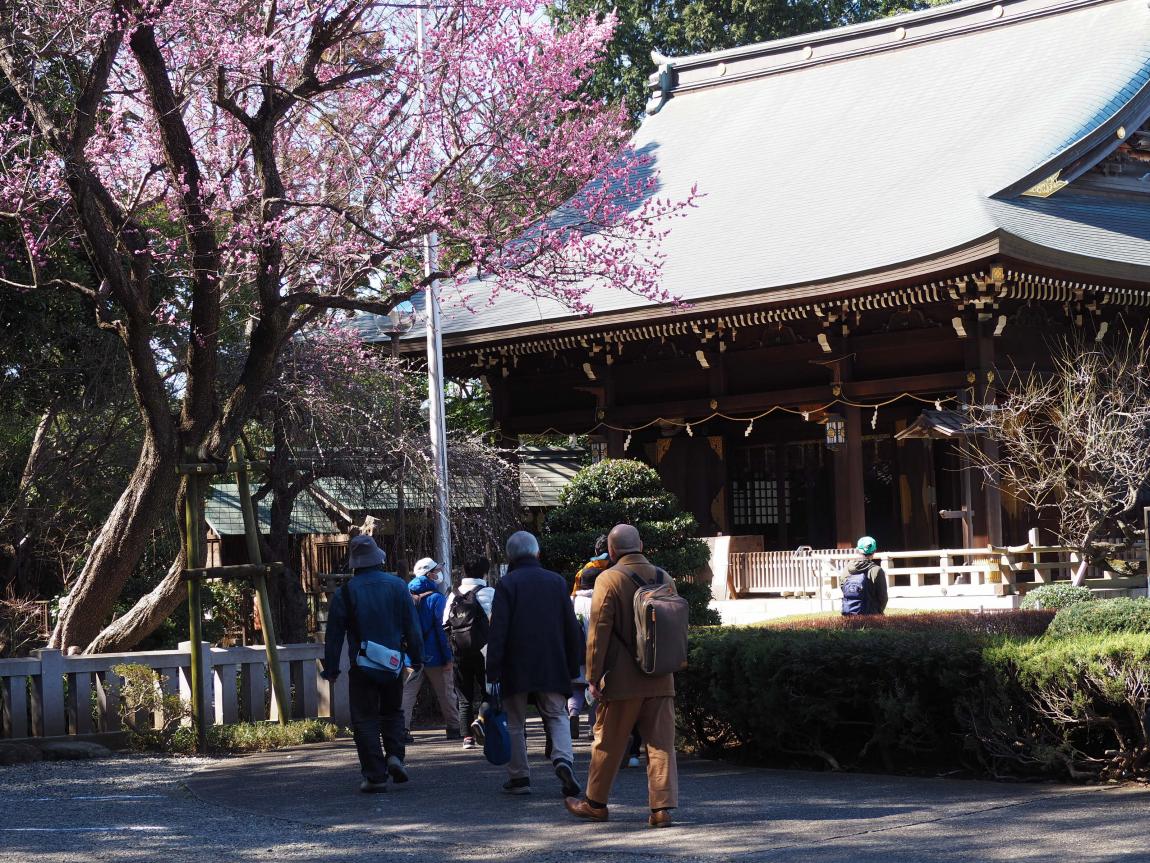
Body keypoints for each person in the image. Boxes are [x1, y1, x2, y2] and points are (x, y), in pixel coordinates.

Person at [565, 523, 678, 828]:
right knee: (661, 744)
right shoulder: (664, 577)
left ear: (612, 551)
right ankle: (661, 809)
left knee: (608, 743)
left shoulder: (609, 578)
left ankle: (596, 804)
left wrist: (593, 675)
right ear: (640, 544)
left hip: (621, 678)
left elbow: (599, 631)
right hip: (660, 675)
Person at [486, 530, 584, 798]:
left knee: (515, 722)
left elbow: (498, 631)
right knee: (557, 715)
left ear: (510, 557)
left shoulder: (507, 584)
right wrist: (573, 665)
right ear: (537, 553)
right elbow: (570, 627)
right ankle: (563, 759)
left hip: (515, 663)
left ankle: (519, 777)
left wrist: (492, 668)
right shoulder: (556, 582)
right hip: (552, 661)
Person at [322, 534, 422, 793]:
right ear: (378, 558)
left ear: (355, 562)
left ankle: (375, 776)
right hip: (392, 663)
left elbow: (334, 636)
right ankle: (395, 757)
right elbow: (412, 626)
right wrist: (417, 656)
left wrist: (331, 669)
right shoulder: (399, 586)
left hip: (363, 666)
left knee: (365, 719)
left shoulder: (345, 593)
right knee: (393, 712)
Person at [401, 558, 461, 740]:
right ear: (429, 575)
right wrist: (448, 657)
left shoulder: (405, 595)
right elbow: (441, 631)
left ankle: (402, 730)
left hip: (412, 655)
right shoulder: (437, 598)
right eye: (436, 570)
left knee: (407, 693)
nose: (439, 573)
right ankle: (453, 728)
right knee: (446, 693)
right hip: (435, 656)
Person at [442, 556, 495, 750]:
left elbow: (445, 623)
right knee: (489, 692)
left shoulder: (453, 595)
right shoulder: (489, 592)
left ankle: (467, 738)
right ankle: (480, 721)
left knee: (464, 696)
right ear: (485, 572)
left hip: (459, 651)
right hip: (485, 652)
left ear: (464, 572)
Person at [567, 565, 598, 741]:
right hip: (596, 652)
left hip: (575, 653)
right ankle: (593, 727)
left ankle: (573, 714)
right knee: (596, 689)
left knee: (575, 688)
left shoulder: (571, 601)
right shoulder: (600, 600)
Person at [840, 535, 889, 616]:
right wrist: (878, 612)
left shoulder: (847, 568)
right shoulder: (877, 570)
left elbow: (843, 587)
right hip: (871, 615)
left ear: (857, 550)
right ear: (874, 551)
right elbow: (883, 597)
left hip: (849, 613)